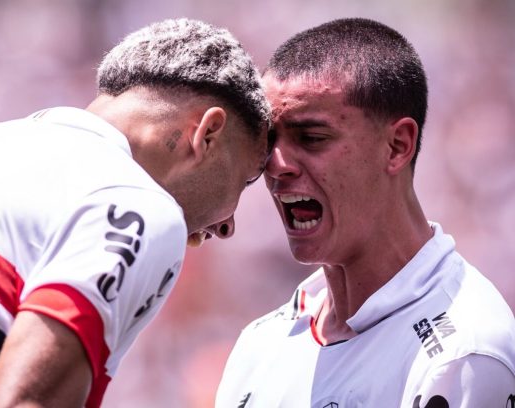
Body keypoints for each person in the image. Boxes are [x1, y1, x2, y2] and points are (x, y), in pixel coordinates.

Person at [0, 18, 270, 408]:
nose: (228, 226)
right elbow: (26, 401)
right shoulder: (140, 205)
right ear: (208, 134)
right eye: (245, 179)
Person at [216, 17, 515, 407]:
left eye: (312, 138)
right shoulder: (260, 343)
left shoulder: (462, 355)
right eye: (271, 140)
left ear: (396, 146)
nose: (277, 165)